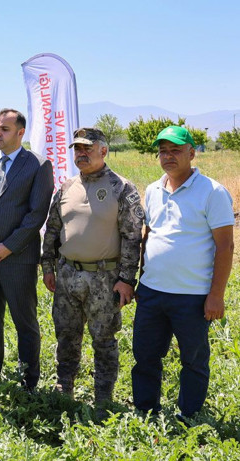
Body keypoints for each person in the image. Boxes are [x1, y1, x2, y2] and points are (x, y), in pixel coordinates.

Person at [132, 126, 234, 419]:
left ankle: (188, 414)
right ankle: (146, 409)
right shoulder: (152, 190)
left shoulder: (212, 192)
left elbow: (225, 247)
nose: (168, 156)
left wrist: (216, 295)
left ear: (192, 152)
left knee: (193, 359)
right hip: (152, 293)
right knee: (145, 356)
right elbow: (148, 236)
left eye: (175, 150)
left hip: (192, 296)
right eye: (163, 151)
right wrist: (141, 279)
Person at [41, 128, 143, 406]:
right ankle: (64, 391)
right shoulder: (66, 187)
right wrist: (47, 267)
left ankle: (103, 400)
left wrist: (126, 279)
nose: (81, 153)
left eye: (87, 148)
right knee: (66, 337)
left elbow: (132, 238)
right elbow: (52, 229)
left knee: (104, 341)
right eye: (77, 149)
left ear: (103, 151)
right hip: (67, 276)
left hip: (105, 279)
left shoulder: (121, 188)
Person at [0, 108, 53, 390]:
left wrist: (9, 246)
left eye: (4, 129)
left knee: (24, 323)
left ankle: (28, 382)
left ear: (20, 133)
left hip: (18, 260)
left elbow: (36, 214)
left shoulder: (37, 166)